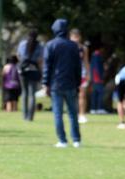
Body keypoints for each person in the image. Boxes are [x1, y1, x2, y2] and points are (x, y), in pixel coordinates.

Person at [43, 19, 82, 148]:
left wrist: (45, 83)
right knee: (73, 113)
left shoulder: (50, 45)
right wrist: (78, 83)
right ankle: (76, 140)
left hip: (56, 84)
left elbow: (47, 67)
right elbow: (78, 66)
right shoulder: (73, 45)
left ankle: (62, 140)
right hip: (71, 83)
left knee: (58, 113)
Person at [17, 30, 43, 121]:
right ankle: (30, 117)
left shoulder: (22, 44)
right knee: (32, 94)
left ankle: (24, 116)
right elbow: (40, 60)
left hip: (23, 70)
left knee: (24, 93)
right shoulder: (40, 46)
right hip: (34, 70)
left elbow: (19, 56)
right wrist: (41, 72)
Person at [70, 29, 90, 124]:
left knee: (82, 95)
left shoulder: (83, 48)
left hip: (81, 73)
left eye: (77, 37)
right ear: (70, 37)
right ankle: (73, 113)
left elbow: (86, 61)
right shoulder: (67, 47)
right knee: (72, 95)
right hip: (70, 74)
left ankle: (82, 114)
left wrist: (88, 73)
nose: (76, 39)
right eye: (74, 37)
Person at [90, 46, 107, 114]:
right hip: (97, 78)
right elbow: (97, 67)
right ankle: (100, 108)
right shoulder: (97, 55)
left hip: (95, 78)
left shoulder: (95, 55)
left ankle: (93, 109)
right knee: (100, 93)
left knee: (95, 94)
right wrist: (100, 77)